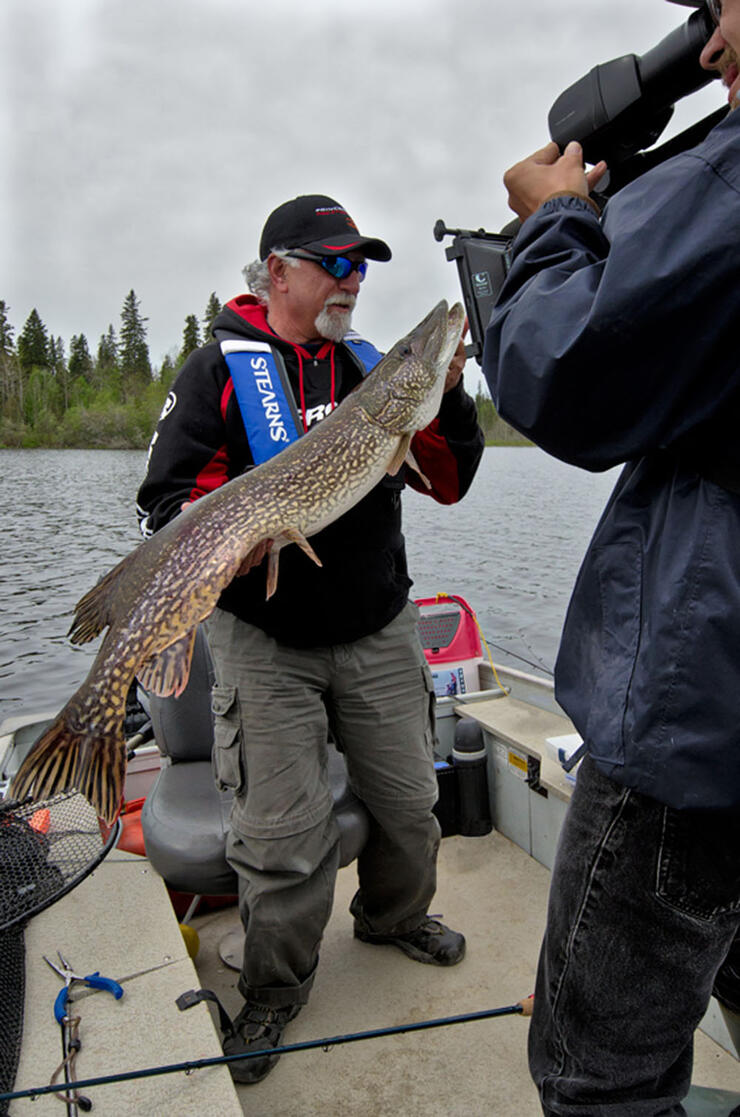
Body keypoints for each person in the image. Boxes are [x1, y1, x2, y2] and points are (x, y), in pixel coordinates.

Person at [137, 193, 484, 1083]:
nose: (354, 279)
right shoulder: (219, 366)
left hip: (375, 627)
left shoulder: (374, 368)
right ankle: (275, 984)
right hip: (266, 644)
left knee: (410, 804)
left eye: (361, 264)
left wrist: (444, 401)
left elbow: (447, 481)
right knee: (283, 835)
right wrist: (228, 548)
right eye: (336, 263)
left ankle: (395, 916)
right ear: (278, 271)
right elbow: (166, 504)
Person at [482, 2, 740, 1113]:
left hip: (696, 730)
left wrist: (553, 225)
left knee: (600, 1076)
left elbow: (566, 380)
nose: (709, 41)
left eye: (718, 10)